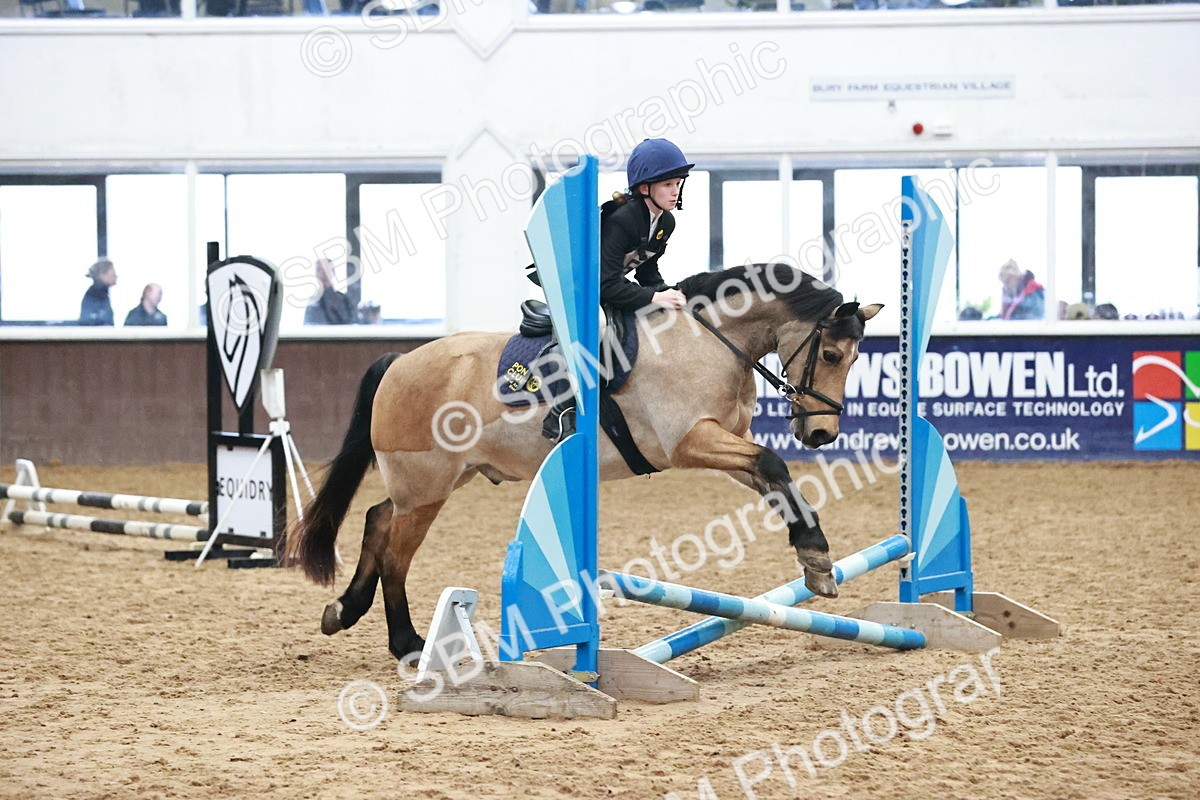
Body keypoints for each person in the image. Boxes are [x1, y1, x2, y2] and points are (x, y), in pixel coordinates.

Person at [541, 137, 693, 442]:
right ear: (644, 188)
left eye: (678, 183)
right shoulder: (622, 219)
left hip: (608, 286)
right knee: (595, 326)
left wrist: (672, 294)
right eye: (667, 185)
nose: (675, 191)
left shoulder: (666, 222)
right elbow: (605, 284)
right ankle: (561, 408)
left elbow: (647, 273)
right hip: (576, 287)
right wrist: (654, 297)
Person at [304, 259, 356, 325]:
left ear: (333, 273)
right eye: (319, 270)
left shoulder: (344, 300)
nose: (323, 274)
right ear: (315, 274)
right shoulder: (312, 303)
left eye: (327, 270)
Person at [79, 259, 116, 326]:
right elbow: (89, 320)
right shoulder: (95, 295)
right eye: (113, 273)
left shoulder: (102, 294)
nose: (115, 276)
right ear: (102, 275)